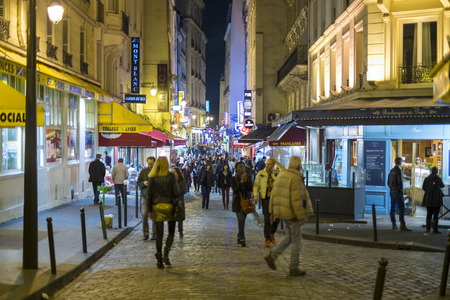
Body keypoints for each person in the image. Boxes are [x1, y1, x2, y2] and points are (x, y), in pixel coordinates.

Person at [264, 156, 313, 276]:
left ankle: (273, 256)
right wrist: (300, 216)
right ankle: (293, 267)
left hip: (282, 213)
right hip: (292, 214)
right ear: (298, 165)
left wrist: (273, 212)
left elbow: (274, 194)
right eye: (300, 164)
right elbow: (296, 199)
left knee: (289, 237)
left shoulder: (282, 175)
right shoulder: (295, 178)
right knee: (296, 240)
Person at [148, 157, 180, 269]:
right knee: (171, 231)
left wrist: (149, 210)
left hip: (157, 207)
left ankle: (159, 259)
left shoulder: (153, 177)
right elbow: (176, 193)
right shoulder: (171, 176)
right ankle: (166, 254)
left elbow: (149, 196)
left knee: (159, 235)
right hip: (169, 206)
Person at [253, 157, 286, 247]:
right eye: (267, 164)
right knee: (267, 219)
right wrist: (255, 194)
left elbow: (286, 171)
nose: (268, 166)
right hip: (265, 198)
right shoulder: (261, 173)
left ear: (273, 165)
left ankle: (272, 232)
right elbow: (256, 185)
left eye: (270, 164)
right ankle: (267, 238)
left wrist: (277, 162)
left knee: (277, 218)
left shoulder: (277, 173)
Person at [231, 161, 253, 247]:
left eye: (243, 166)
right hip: (237, 202)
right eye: (240, 166)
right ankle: (242, 238)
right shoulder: (233, 179)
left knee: (242, 220)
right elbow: (235, 190)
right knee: (241, 220)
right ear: (236, 168)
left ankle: (239, 235)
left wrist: (246, 181)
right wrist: (241, 182)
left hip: (246, 202)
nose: (242, 168)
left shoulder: (248, 177)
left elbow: (250, 188)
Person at [387, 157, 411, 231]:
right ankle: (402, 225)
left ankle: (393, 224)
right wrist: (401, 192)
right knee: (401, 208)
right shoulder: (399, 171)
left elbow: (388, 182)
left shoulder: (391, 170)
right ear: (400, 163)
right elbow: (400, 182)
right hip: (397, 191)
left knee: (393, 208)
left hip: (392, 191)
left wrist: (392, 188)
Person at [422, 166, 445, 234]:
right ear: (437, 171)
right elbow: (442, 186)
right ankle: (435, 229)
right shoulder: (438, 179)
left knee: (429, 214)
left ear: (431, 171)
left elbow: (424, 188)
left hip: (428, 198)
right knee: (436, 214)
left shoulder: (426, 179)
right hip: (437, 199)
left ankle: (428, 229)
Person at [137, 156, 156, 240]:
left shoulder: (157, 172)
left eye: (152, 164)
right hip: (145, 196)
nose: (150, 166)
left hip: (155, 197)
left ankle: (154, 233)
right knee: (144, 214)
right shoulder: (143, 172)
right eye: (149, 164)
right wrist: (143, 183)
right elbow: (138, 182)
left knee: (155, 216)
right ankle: (145, 233)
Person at [173, 167, 187, 238]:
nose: (174, 173)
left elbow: (184, 190)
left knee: (180, 217)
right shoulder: (171, 181)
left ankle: (180, 230)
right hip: (172, 201)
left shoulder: (182, 181)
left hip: (180, 201)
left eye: (175, 172)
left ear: (178, 173)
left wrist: (176, 193)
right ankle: (172, 231)